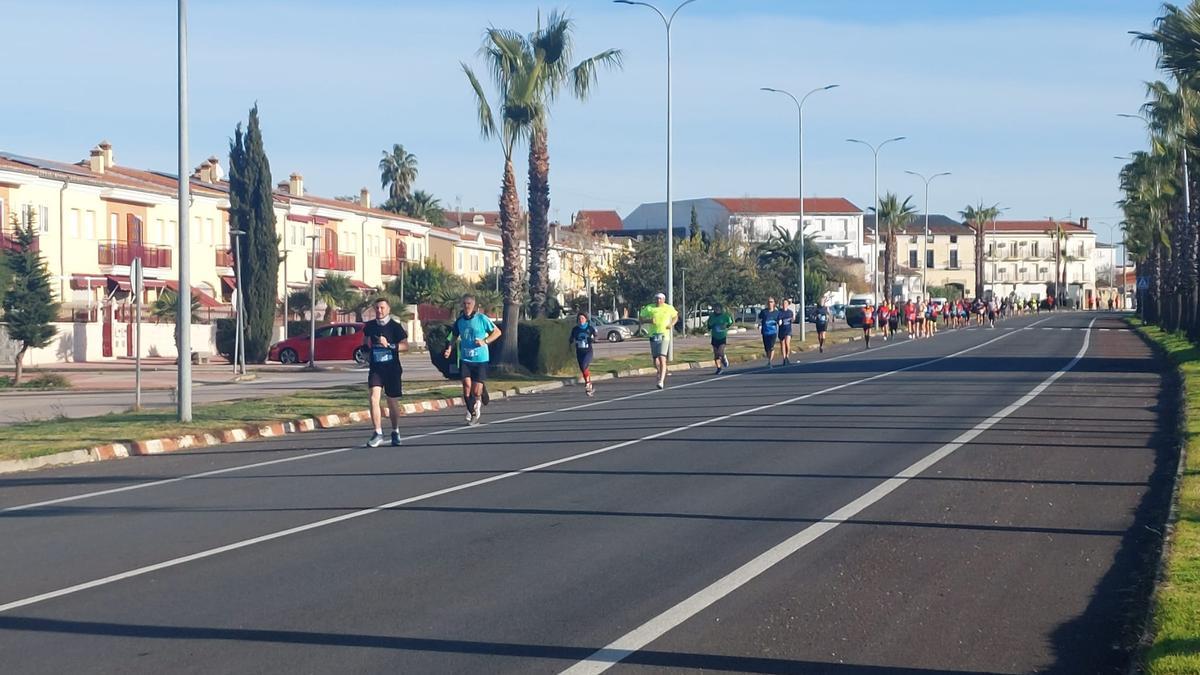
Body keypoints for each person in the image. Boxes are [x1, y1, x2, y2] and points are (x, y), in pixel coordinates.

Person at [442, 294, 502, 425]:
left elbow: (497, 332)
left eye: (469, 303)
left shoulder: (482, 319)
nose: (466, 306)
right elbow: (454, 336)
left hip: (481, 359)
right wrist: (449, 349)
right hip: (465, 359)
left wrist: (484, 341)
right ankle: (472, 412)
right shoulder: (459, 321)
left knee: (476, 391)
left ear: (474, 305)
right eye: (464, 304)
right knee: (466, 386)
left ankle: (479, 396)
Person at [363, 297, 408, 447]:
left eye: (382, 308)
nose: (379, 311)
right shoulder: (369, 326)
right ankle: (378, 432)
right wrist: (366, 353)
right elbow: (365, 342)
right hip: (376, 369)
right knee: (373, 397)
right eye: (376, 308)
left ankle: (395, 431)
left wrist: (389, 345)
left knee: (391, 401)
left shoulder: (395, 327)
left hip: (392, 369)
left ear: (388, 309)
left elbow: (405, 346)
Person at [639, 292, 678, 389]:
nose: (658, 300)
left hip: (664, 335)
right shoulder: (650, 308)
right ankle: (659, 371)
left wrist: (671, 324)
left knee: (662, 357)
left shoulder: (668, 308)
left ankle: (661, 381)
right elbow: (641, 318)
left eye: (660, 299)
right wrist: (648, 321)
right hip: (653, 335)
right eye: (657, 298)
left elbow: (676, 316)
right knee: (655, 360)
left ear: (664, 300)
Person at [570, 312, 598, 396]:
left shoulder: (590, 328)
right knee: (583, 369)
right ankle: (589, 386)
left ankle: (588, 384)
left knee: (584, 365)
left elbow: (596, 337)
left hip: (588, 351)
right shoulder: (575, 329)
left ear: (586, 319)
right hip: (579, 351)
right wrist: (571, 340)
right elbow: (571, 338)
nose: (580, 320)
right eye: (579, 319)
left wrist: (592, 340)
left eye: (582, 318)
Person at [707, 303, 734, 374]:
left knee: (720, 352)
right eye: (715, 308)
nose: (717, 309)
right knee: (716, 354)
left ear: (721, 309)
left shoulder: (725, 316)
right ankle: (719, 368)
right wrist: (711, 325)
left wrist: (725, 325)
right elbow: (709, 325)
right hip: (714, 337)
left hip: (722, 337)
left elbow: (730, 322)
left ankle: (724, 358)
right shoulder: (712, 316)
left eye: (718, 308)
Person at [758, 297, 782, 367]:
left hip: (773, 333)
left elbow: (779, 320)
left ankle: (770, 362)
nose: (770, 303)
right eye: (768, 302)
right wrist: (759, 325)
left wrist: (779, 322)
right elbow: (760, 319)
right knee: (766, 348)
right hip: (765, 332)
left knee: (771, 347)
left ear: (774, 303)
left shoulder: (777, 312)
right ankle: (769, 359)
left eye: (771, 302)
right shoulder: (764, 312)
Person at [777, 298, 796, 365]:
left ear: (788, 304)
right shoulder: (779, 312)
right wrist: (779, 321)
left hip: (788, 330)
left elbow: (793, 320)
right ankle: (784, 358)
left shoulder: (790, 312)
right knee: (782, 344)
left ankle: (787, 357)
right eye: (783, 303)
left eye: (786, 303)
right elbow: (778, 320)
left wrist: (793, 319)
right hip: (781, 331)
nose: (784, 305)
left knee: (787, 344)